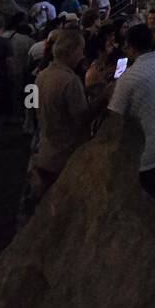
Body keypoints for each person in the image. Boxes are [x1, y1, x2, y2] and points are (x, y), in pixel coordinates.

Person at [107, 24, 155, 211]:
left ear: (129, 47)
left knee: (146, 210)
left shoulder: (128, 79)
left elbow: (115, 116)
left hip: (145, 155)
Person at [29, 27, 100, 194]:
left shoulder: (42, 75)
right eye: (80, 51)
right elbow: (81, 118)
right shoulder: (70, 81)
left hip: (46, 149)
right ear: (71, 51)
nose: (82, 55)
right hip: (65, 155)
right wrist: (103, 96)